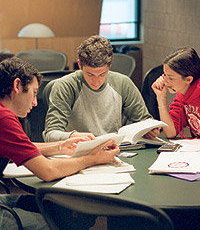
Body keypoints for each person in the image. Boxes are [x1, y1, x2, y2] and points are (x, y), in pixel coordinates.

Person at [0, 57, 119, 229]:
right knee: (65, 221)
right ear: (17, 85)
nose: (35, 103)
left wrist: (60, 146)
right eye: (34, 93)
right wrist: (93, 158)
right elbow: (48, 171)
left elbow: (22, 146)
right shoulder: (4, 118)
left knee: (63, 210)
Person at [43, 35, 160, 142]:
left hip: (115, 149)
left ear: (109, 66)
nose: (96, 82)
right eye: (90, 74)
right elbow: (50, 134)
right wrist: (72, 136)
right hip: (78, 150)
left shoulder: (123, 83)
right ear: (79, 65)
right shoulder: (65, 86)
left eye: (102, 74)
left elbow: (144, 121)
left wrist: (149, 129)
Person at [152, 47, 200, 139]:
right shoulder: (182, 95)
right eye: (164, 75)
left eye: (171, 78)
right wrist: (161, 97)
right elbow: (171, 132)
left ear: (188, 79)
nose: (165, 81)